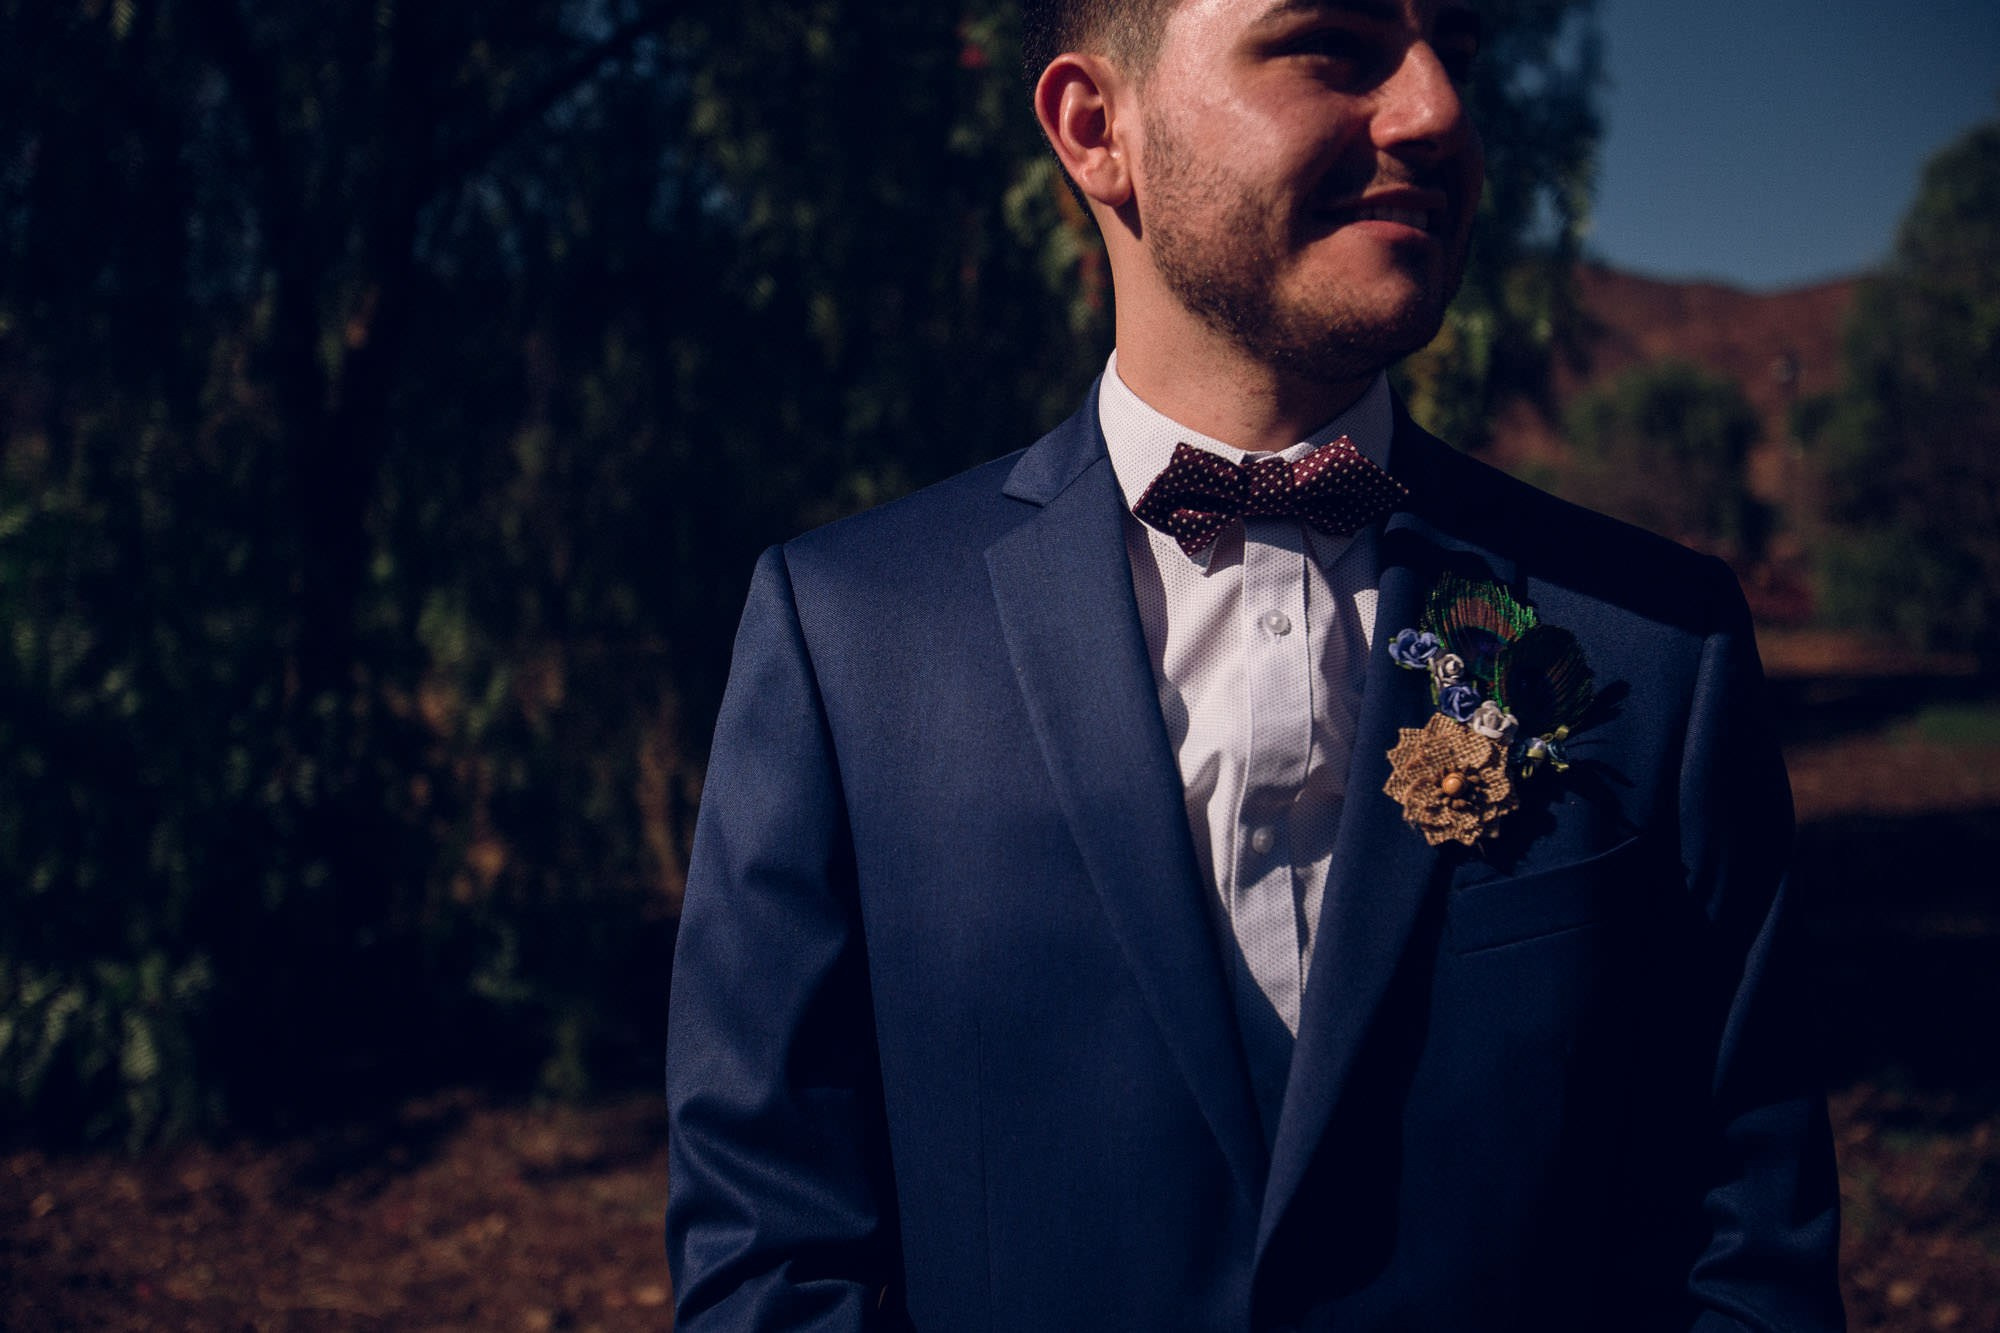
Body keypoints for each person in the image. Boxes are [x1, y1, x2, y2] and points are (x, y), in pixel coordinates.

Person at [664, 0, 1845, 1327]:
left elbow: (1748, 1249)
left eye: (1454, 48)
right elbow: (772, 1257)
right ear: (1097, 129)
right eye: (1330, 47)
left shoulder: (1657, 640)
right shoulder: (846, 636)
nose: (1438, 111)